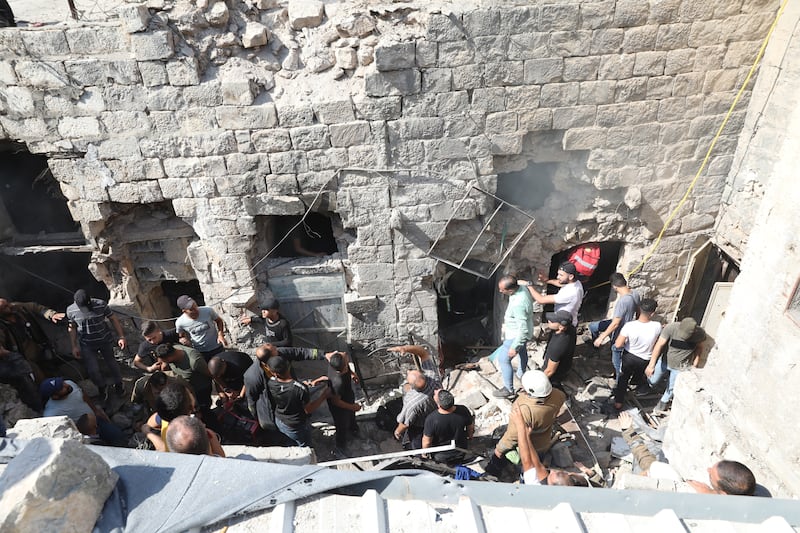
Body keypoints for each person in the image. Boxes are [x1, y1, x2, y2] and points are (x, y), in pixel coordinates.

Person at [618, 412, 755, 495]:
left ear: (724, 492)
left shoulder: (683, 488)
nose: (708, 469)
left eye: (711, 473)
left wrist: (628, 431)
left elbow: (646, 461)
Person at [485, 370, 566, 477]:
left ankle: (494, 473)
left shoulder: (524, 411)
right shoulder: (559, 395)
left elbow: (512, 436)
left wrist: (499, 450)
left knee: (500, 453)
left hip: (528, 447)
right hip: (544, 441)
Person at [244, 343, 337, 433]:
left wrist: (324, 354)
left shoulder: (280, 354)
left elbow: (299, 352)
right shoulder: (253, 376)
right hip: (275, 407)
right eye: (275, 350)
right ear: (271, 361)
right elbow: (251, 399)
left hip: (291, 397)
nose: (278, 349)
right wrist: (256, 418)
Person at [66, 289, 126, 397]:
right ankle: (102, 386)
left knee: (113, 364)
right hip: (87, 345)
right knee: (93, 369)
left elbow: (113, 318)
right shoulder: (71, 311)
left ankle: (119, 383)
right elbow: (72, 327)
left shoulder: (100, 304)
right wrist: (74, 346)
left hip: (105, 341)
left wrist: (121, 336)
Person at [40, 377, 127, 446]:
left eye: (62, 382)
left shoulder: (70, 384)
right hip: (83, 433)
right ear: (55, 396)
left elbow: (83, 395)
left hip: (96, 420)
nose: (66, 385)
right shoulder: (52, 413)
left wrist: (96, 410)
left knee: (118, 436)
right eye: (61, 387)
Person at [645, 317, 707, 413]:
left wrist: (695, 363)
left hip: (682, 366)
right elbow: (659, 345)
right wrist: (651, 365)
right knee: (653, 380)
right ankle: (650, 387)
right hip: (665, 361)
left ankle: (663, 402)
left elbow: (699, 348)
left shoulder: (700, 334)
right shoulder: (671, 328)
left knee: (671, 387)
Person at [266, 355, 330, 447]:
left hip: (280, 420)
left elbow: (288, 387)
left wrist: (310, 383)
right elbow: (309, 409)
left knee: (290, 441)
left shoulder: (271, 383)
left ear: (274, 373)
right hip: (295, 424)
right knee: (303, 445)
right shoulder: (299, 389)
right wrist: (324, 395)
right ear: (289, 366)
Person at [585, 273, 641, 378]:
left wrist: (602, 337)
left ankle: (619, 378)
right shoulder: (635, 294)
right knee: (593, 326)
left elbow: (615, 324)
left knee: (616, 358)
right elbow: (638, 311)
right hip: (622, 323)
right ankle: (595, 348)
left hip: (620, 330)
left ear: (614, 286)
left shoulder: (623, 301)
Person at [610, 298, 661, 413]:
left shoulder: (630, 326)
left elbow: (618, 344)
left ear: (639, 309)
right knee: (638, 376)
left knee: (623, 379)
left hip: (629, 356)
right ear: (652, 313)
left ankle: (618, 403)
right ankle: (638, 388)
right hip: (645, 359)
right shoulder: (657, 326)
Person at [513, 403, 583, 486]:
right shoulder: (553, 484)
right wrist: (527, 438)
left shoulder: (534, 483)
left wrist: (520, 427)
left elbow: (526, 460)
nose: (552, 470)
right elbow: (537, 464)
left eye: (555, 473)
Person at [389, 344, 441, 450]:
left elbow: (405, 423)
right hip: (438, 417)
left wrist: (398, 432)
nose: (408, 371)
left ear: (412, 387)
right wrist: (405, 349)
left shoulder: (412, 402)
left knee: (418, 445)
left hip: (422, 426)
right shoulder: (433, 377)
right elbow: (423, 353)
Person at [0, 297, 65, 381]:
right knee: (41, 379)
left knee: (53, 368)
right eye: (5, 307)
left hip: (38, 347)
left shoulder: (17, 308)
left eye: (7, 303)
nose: (9, 306)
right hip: (25, 358)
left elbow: (34, 307)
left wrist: (51, 314)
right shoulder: (2, 327)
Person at [490, 275, 533, 399]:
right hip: (522, 331)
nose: (500, 291)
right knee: (523, 350)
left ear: (510, 290)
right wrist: (528, 281)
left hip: (515, 335)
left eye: (502, 290)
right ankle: (521, 372)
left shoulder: (518, 304)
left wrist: (514, 346)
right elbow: (522, 281)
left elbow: (522, 329)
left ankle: (508, 389)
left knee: (504, 359)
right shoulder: (521, 287)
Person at [311, 352, 361, 456]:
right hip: (339, 406)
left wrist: (352, 374)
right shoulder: (338, 383)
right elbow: (336, 401)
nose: (345, 354)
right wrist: (353, 407)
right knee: (341, 425)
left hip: (347, 395)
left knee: (351, 416)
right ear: (343, 369)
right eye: (345, 358)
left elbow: (341, 361)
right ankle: (340, 446)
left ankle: (353, 428)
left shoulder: (335, 362)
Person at [155, 343, 213, 411]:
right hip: (187, 389)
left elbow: (211, 374)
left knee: (204, 410)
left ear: (170, 357)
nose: (162, 363)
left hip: (201, 389)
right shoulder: (171, 350)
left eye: (163, 361)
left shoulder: (194, 361)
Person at [422, 389, 474, 465]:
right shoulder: (463, 410)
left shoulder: (431, 419)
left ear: (439, 405)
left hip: (440, 455)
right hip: (460, 450)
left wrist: (424, 453)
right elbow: (470, 428)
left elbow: (427, 441)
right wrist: (470, 436)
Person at [144, 380, 198, 452]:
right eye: (190, 393)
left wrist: (148, 432)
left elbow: (150, 424)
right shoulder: (193, 434)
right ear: (191, 407)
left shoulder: (165, 417)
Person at [526, 262, 584, 327]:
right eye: (558, 274)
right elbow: (560, 283)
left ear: (571, 276)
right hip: (566, 321)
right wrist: (547, 281)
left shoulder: (570, 293)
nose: (558, 277)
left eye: (561, 275)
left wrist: (528, 285)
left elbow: (541, 300)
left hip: (564, 326)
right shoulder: (576, 283)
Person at [175, 295, 227, 361]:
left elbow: (219, 321)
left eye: (195, 306)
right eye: (191, 309)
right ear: (184, 311)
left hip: (216, 346)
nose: (195, 310)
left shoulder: (207, 310)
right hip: (200, 351)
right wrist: (184, 340)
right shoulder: (180, 322)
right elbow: (181, 335)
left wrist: (220, 335)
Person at [541, 310, 576, 391]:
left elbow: (549, 371)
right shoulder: (571, 329)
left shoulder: (558, 346)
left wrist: (538, 383)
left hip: (554, 374)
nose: (549, 321)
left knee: (551, 386)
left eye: (553, 321)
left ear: (561, 327)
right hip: (565, 364)